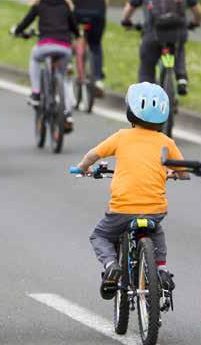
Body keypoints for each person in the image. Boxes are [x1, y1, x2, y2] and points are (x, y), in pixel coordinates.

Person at [74, 82, 185, 299]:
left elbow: (94, 155)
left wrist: (82, 168)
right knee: (156, 231)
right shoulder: (166, 142)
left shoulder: (121, 137)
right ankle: (161, 269)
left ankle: (110, 265)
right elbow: (182, 171)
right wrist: (175, 174)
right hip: (154, 209)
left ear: (130, 112)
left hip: (122, 209)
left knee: (100, 236)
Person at [121, 0, 201, 96]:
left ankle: (145, 97)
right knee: (178, 46)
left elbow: (128, 10)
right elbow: (199, 12)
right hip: (176, 33)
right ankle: (181, 77)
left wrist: (126, 22)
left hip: (153, 34)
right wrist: (195, 23)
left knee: (146, 67)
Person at [12, 0, 79, 128]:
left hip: (45, 46)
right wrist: (75, 34)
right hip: (64, 48)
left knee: (35, 58)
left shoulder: (40, 3)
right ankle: (67, 113)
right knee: (64, 78)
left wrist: (17, 31)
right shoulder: (65, 4)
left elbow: (26, 22)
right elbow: (74, 28)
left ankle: (36, 93)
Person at [58, 0, 108, 93]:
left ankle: (68, 64)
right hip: (96, 14)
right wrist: (102, 13)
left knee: (66, 35)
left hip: (75, 13)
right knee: (95, 45)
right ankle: (98, 79)